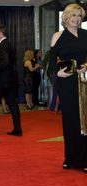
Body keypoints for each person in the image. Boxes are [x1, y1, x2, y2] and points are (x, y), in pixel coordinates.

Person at [50, 3, 87, 172]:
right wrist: (58, 74)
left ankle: (84, 159)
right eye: (74, 15)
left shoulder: (86, 34)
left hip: (83, 81)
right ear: (66, 17)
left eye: (79, 16)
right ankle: (69, 158)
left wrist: (86, 66)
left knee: (84, 120)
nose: (77, 19)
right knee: (70, 120)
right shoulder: (58, 36)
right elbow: (50, 62)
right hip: (66, 82)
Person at [0, 24, 22, 136]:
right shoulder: (9, 44)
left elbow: (5, 62)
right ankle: (18, 129)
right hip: (11, 80)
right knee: (12, 104)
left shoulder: (2, 45)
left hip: (2, 81)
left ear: (0, 33)